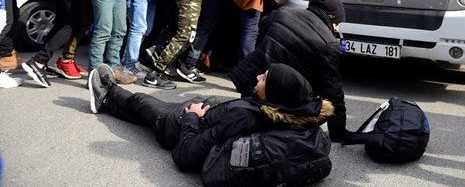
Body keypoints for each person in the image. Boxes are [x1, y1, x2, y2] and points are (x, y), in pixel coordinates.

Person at [88, 62, 333, 172]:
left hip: (180, 124)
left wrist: (192, 118)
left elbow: (186, 156)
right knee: (140, 114)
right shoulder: (290, 112)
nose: (258, 77)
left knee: (141, 103)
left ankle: (109, 90)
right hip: (203, 114)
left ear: (275, 94)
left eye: (265, 78)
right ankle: (106, 101)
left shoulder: (245, 119)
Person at [229, 0, 348, 142]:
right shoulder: (328, 43)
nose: (336, 29)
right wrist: (338, 131)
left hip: (250, 80)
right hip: (279, 96)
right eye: (337, 23)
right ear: (330, 18)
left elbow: (261, 38)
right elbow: (333, 90)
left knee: (247, 115)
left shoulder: (283, 13)